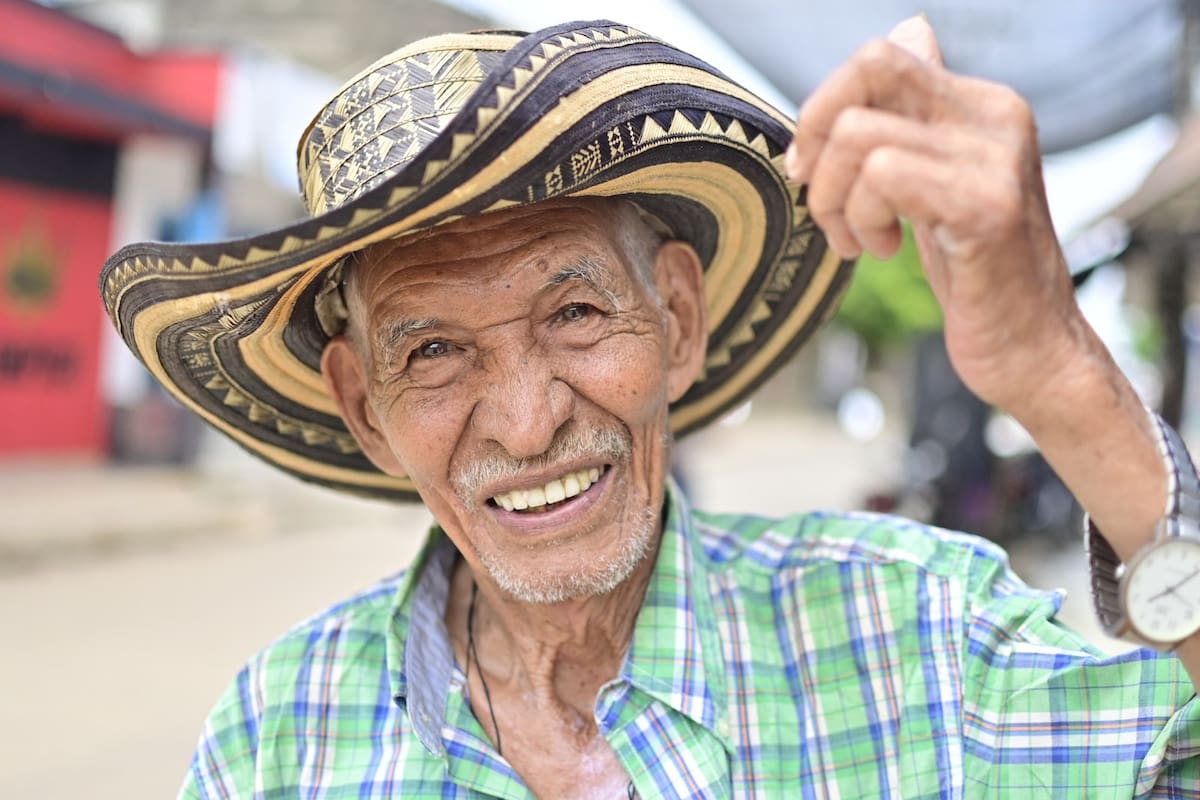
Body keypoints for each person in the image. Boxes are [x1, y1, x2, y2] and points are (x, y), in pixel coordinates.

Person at [100, 16, 1200, 799]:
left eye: (576, 312)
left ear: (677, 314)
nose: (527, 424)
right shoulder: (276, 738)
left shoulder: (922, 640)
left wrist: (1062, 379)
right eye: (432, 350)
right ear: (365, 406)